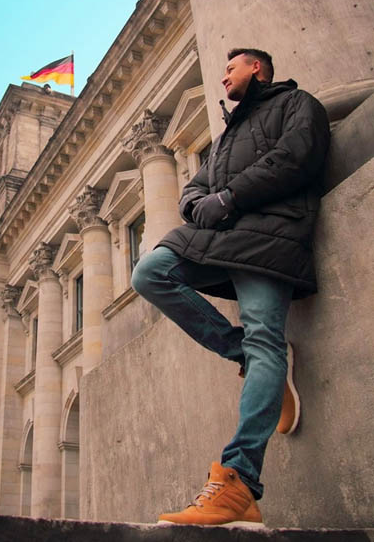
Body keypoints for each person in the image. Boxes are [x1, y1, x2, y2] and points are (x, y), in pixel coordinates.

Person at [131, 47, 330, 528]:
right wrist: (201, 202)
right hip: (218, 238)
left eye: (231, 68)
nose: (224, 77)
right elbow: (192, 189)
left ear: (257, 67)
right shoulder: (225, 136)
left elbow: (297, 157)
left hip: (271, 238)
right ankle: (246, 357)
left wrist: (230, 196)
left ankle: (239, 483)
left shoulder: (298, 104)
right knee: (149, 273)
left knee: (266, 338)